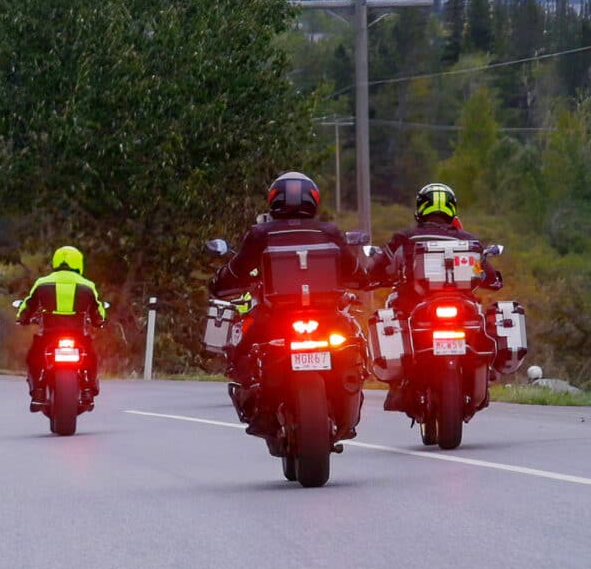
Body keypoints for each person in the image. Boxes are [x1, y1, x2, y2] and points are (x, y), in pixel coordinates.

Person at [209, 172, 365, 424]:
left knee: (241, 351)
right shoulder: (329, 232)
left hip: (275, 318)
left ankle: (256, 406)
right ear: (313, 200)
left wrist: (219, 283)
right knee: (354, 342)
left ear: (274, 200)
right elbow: (355, 271)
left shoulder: (261, 233)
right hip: (327, 316)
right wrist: (364, 279)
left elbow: (236, 270)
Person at [378, 181, 503, 409]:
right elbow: (486, 275)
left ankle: (398, 383)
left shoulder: (406, 238)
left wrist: (371, 276)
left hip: (418, 309)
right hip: (462, 309)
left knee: (391, 312)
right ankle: (487, 372)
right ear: (451, 208)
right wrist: (492, 280)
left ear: (421, 208)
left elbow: (379, 266)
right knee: (481, 321)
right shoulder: (468, 240)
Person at [16, 245, 107, 409]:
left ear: (56, 262)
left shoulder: (42, 282)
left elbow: (27, 306)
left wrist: (22, 318)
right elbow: (98, 311)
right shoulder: (88, 285)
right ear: (78, 262)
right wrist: (99, 322)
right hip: (78, 334)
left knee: (34, 357)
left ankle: (38, 391)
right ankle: (88, 390)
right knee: (91, 357)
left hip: (49, 334)